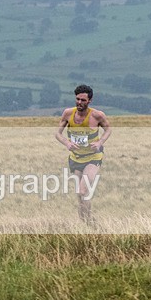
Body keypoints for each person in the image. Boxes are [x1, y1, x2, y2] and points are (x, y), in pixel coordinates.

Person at [55, 84, 112, 224]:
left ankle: (88, 221)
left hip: (93, 157)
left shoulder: (97, 115)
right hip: (75, 158)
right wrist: (67, 143)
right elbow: (57, 133)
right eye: (77, 99)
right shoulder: (68, 113)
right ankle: (85, 222)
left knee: (82, 190)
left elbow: (108, 130)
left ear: (89, 101)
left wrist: (100, 143)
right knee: (80, 195)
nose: (79, 103)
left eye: (83, 100)